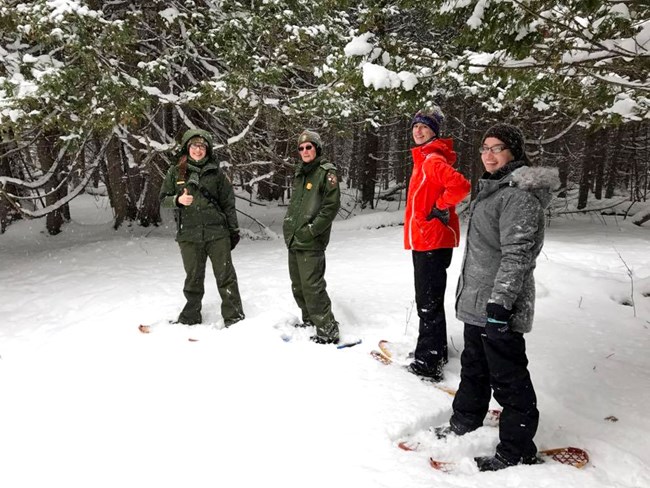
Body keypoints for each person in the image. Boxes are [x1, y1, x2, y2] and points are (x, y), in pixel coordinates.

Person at [439, 123, 560, 471]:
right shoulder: (494, 190)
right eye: (484, 148)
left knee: (508, 380)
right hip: (478, 301)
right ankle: (464, 421)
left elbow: (517, 256)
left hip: (498, 306)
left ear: (514, 153)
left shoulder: (518, 196)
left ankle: (517, 450)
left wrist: (500, 305)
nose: (488, 155)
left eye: (497, 148)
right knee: (474, 368)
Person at [403, 107, 471, 381]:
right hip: (427, 239)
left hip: (430, 240)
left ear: (434, 131)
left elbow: (462, 186)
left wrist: (440, 206)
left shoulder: (432, 160)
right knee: (430, 299)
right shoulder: (425, 159)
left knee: (427, 302)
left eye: (424, 127)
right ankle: (436, 350)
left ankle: (428, 363)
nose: (418, 131)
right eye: (415, 127)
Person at [159, 128, 245, 327]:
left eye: (202, 146)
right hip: (189, 234)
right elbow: (163, 199)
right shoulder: (175, 172)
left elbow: (228, 203)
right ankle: (190, 316)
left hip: (217, 233)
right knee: (193, 278)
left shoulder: (217, 173)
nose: (198, 150)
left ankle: (234, 317)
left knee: (226, 277)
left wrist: (233, 230)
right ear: (187, 148)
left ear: (208, 149)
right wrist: (177, 200)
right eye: (194, 146)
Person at [283, 130, 341, 344]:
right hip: (294, 238)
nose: (305, 151)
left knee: (312, 286)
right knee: (298, 285)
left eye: (309, 147)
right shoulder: (302, 172)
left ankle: (327, 330)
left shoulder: (326, 172)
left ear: (317, 148)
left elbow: (331, 207)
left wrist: (312, 229)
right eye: (301, 148)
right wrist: (289, 226)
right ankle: (310, 320)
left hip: (311, 240)